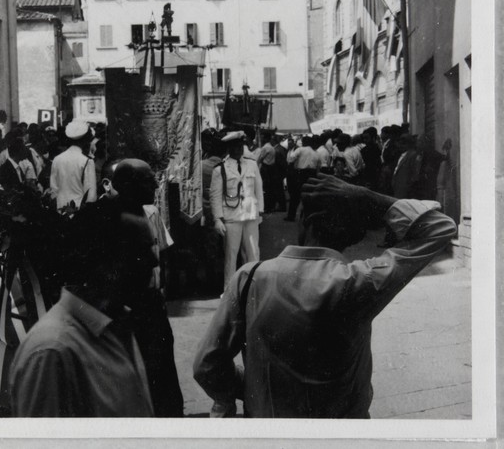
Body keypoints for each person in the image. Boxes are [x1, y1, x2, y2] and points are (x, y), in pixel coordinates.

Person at [193, 173, 457, 418]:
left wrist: (251, 388)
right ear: (354, 236)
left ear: (302, 220)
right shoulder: (359, 282)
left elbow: (207, 366)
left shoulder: (249, 278)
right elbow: (440, 228)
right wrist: (369, 198)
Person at [8, 197, 155, 417]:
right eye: (140, 252)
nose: (154, 261)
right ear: (104, 260)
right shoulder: (52, 352)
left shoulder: (118, 325)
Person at [107, 159, 184, 417]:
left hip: (151, 307)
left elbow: (162, 254)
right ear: (127, 185)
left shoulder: (149, 213)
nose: (155, 184)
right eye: (148, 179)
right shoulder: (109, 217)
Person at [210, 131, 263, 290]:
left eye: (241, 146)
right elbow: (215, 196)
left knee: (254, 253)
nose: (239, 150)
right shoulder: (220, 170)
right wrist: (217, 219)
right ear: (229, 148)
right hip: (231, 216)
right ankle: (230, 290)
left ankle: (253, 287)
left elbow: (259, 190)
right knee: (231, 256)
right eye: (235, 147)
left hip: (251, 215)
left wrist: (260, 212)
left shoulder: (252, 164)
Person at [49, 120, 97, 210]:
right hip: (79, 212)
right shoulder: (87, 161)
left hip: (59, 210)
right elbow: (91, 195)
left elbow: (53, 190)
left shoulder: (57, 159)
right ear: (85, 140)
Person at [285, 136, 321, 222]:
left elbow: (291, 159)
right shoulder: (316, 153)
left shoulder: (300, 150)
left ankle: (291, 216)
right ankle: (307, 216)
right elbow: (318, 167)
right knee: (309, 196)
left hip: (300, 174)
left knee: (295, 196)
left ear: (304, 142)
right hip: (312, 175)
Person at [257, 132, 277, 212]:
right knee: (270, 188)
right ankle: (270, 206)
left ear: (265, 138)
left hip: (265, 169)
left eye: (262, 137)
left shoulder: (265, 148)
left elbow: (260, 159)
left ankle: (266, 206)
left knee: (265, 188)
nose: (261, 139)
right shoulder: (272, 147)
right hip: (271, 168)